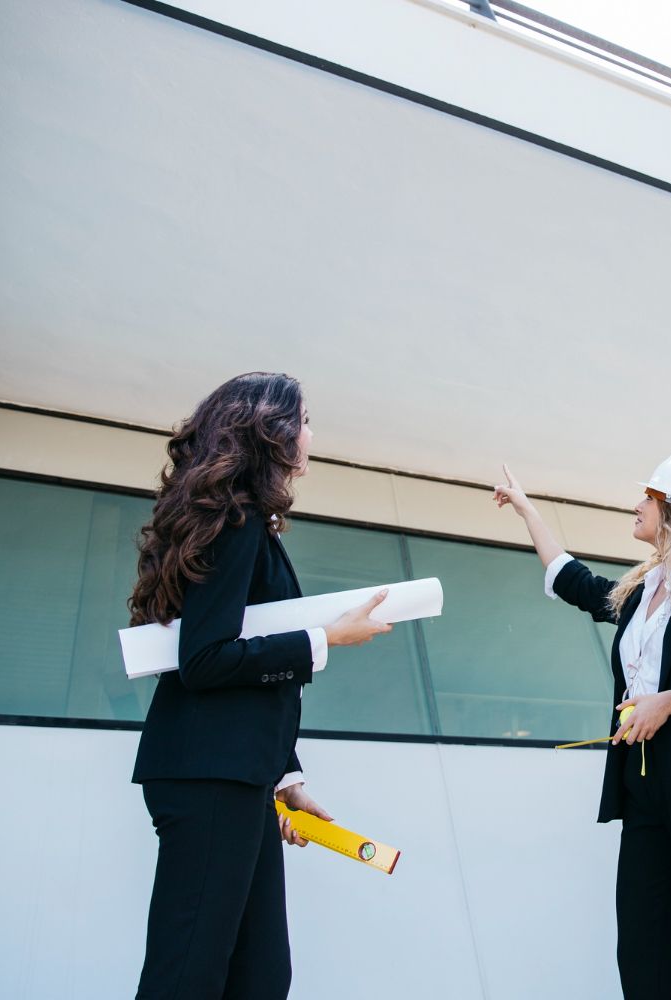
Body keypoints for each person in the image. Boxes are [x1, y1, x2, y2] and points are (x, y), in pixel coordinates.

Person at [128, 372, 393, 1000]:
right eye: (304, 421)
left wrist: (286, 779)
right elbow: (206, 659)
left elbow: (237, 668)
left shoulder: (243, 522)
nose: (310, 435)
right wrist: (326, 639)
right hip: (209, 777)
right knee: (188, 975)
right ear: (269, 431)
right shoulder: (235, 522)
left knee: (260, 976)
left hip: (240, 777)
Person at [494, 449, 671, 1000]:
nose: (638, 504)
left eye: (650, 495)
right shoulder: (641, 589)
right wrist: (528, 512)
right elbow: (572, 580)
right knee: (641, 954)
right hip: (643, 793)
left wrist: (667, 703)